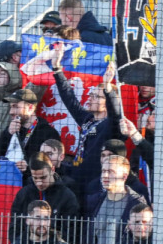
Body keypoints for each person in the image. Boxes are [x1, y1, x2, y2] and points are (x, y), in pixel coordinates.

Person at [51, 43, 121, 184]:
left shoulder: (111, 125)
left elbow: (115, 114)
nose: (90, 98)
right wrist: (57, 68)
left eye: (96, 96)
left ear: (106, 102)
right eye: (91, 94)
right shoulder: (87, 120)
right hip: (77, 177)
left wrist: (107, 87)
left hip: (95, 183)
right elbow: (69, 98)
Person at [9, 154, 81, 242]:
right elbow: (15, 227)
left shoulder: (67, 196)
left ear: (53, 170)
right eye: (35, 178)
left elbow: (71, 232)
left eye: (43, 178)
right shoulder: (23, 194)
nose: (39, 183)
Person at [0, 89, 60, 161]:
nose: (11, 112)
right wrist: (8, 134)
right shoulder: (10, 129)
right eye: (11, 107)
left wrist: (27, 167)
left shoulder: (48, 133)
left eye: (16, 106)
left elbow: (51, 165)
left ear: (30, 108)